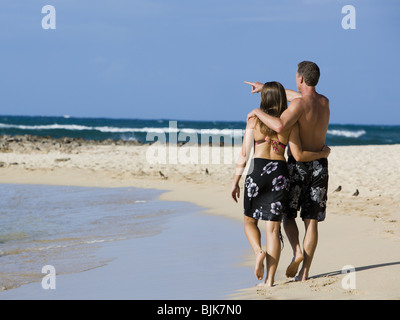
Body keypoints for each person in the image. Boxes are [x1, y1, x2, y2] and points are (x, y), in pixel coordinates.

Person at [231, 81, 330, 287]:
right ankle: (269, 281)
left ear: (263, 99)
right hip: (280, 173)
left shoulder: (253, 121)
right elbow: (297, 153)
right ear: (282, 100)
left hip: (257, 171)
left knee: (250, 221)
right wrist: (322, 153)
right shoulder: (289, 126)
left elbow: (243, 155)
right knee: (273, 231)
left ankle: (258, 251)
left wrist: (235, 182)